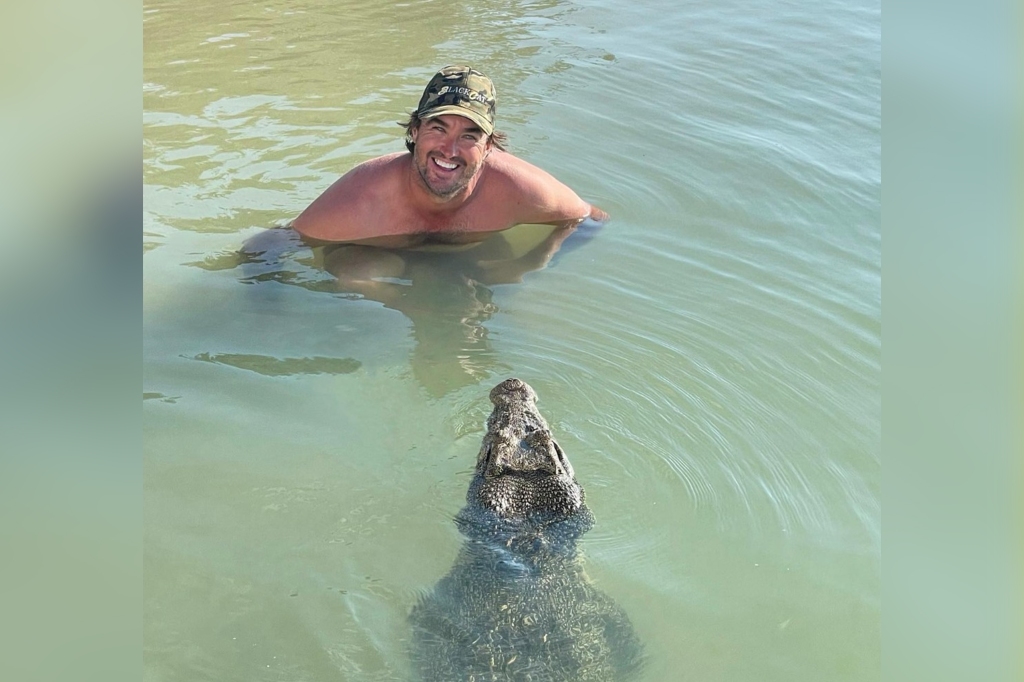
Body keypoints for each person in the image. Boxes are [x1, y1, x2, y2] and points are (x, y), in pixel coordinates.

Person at [291, 64, 608, 250]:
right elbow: (276, 244)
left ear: (488, 148)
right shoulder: (365, 193)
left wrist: (533, 265)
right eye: (438, 128)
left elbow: (590, 218)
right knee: (360, 276)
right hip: (374, 265)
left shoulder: (517, 189)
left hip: (468, 266)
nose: (450, 149)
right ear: (414, 131)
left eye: (469, 136)